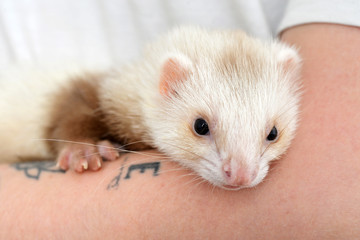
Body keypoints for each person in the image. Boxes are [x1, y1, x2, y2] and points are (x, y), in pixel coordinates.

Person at [1, 1, 360, 238]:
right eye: (201, 128)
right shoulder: (115, 98)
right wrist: (77, 143)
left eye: (270, 135)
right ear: (168, 86)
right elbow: (76, 101)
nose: (245, 174)